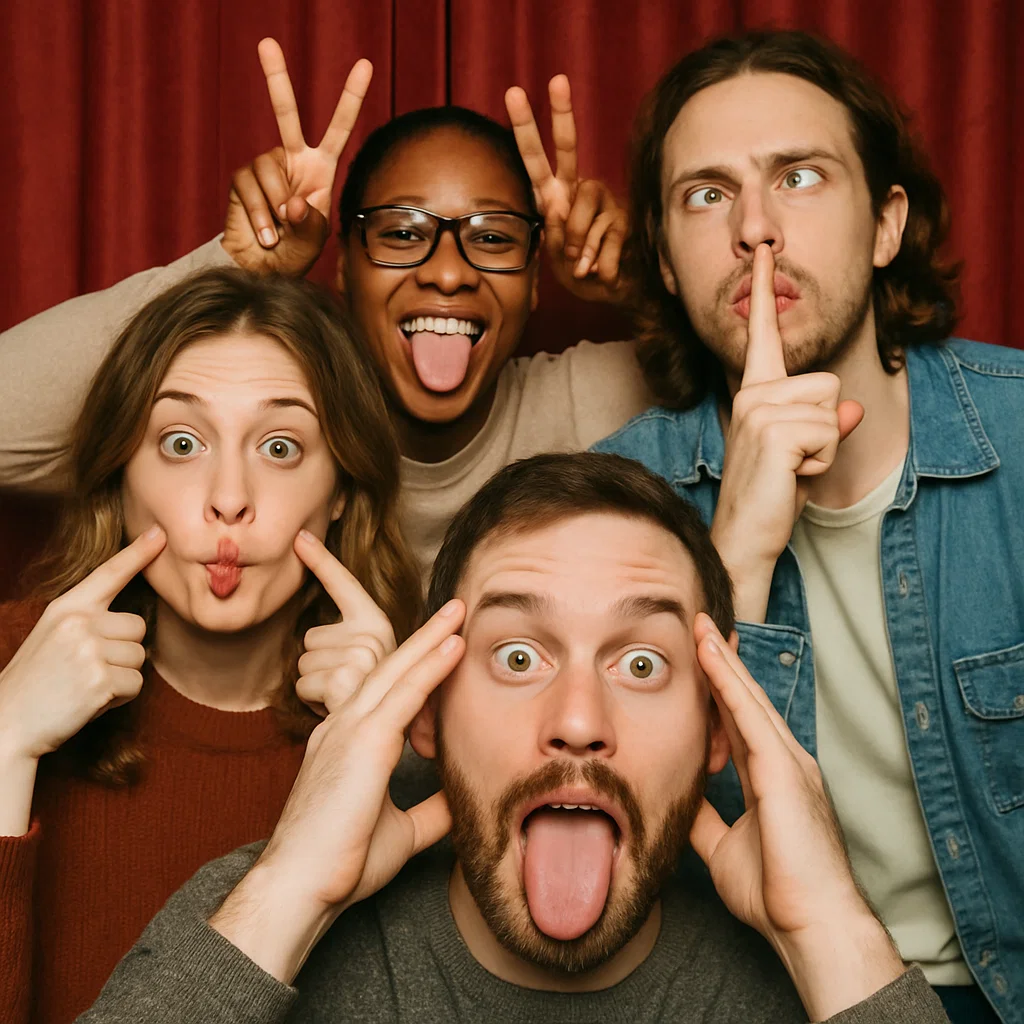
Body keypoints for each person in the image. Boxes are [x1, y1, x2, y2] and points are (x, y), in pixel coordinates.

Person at [75, 452, 948, 1024]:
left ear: (720, 731)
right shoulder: (252, 918)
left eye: (641, 665)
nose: (577, 722)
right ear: (425, 712)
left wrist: (830, 933)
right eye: (520, 654)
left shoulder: (814, 982)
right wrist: (293, 891)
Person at [592, 30, 1022, 1024]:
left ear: (884, 223)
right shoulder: (613, 495)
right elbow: (617, 846)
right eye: (705, 194)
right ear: (663, 257)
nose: (755, 229)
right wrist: (731, 552)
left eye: (797, 176)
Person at [0, 38, 654, 583]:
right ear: (343, 268)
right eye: (401, 234)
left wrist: (641, 284)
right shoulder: (265, 413)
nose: (449, 272)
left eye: (491, 237)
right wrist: (232, 267)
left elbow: (752, 409)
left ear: (535, 282)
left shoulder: (590, 404)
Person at [0, 268, 421, 1023]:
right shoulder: (8, 666)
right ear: (118, 480)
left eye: (281, 447)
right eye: (183, 441)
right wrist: (3, 743)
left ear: (343, 495)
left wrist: (387, 757)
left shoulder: (421, 726)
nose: (229, 496)